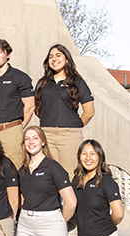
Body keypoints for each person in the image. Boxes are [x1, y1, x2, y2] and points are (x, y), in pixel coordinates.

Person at [34, 44, 95, 177]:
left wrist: (73, 126)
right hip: (46, 134)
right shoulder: (42, 83)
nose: (54, 59)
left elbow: (89, 111)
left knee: (71, 176)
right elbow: (38, 109)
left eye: (58, 55)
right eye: (51, 56)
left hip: (69, 136)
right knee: (49, 176)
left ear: (67, 59)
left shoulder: (77, 82)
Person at [0, 38, 34, 169]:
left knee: (15, 170)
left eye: (0, 51)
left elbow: (30, 106)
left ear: (7, 54)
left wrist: (19, 127)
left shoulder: (21, 77)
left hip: (12, 131)